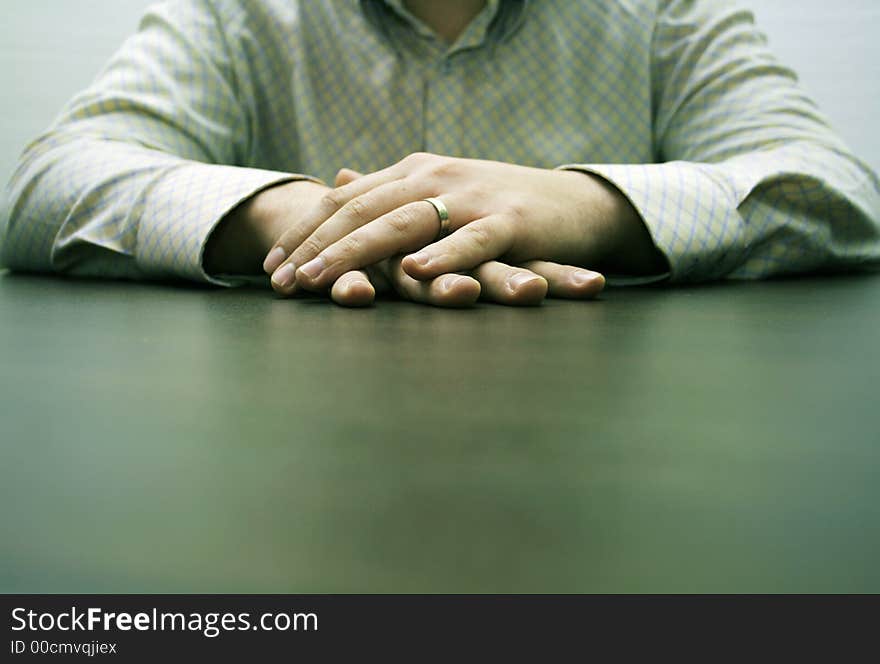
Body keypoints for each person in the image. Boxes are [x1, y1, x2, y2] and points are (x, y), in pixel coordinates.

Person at [2, 0, 879, 307]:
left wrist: (581, 207)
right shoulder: (240, 12)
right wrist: (315, 223)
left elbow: (835, 189)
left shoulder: (660, 11)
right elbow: (47, 183)